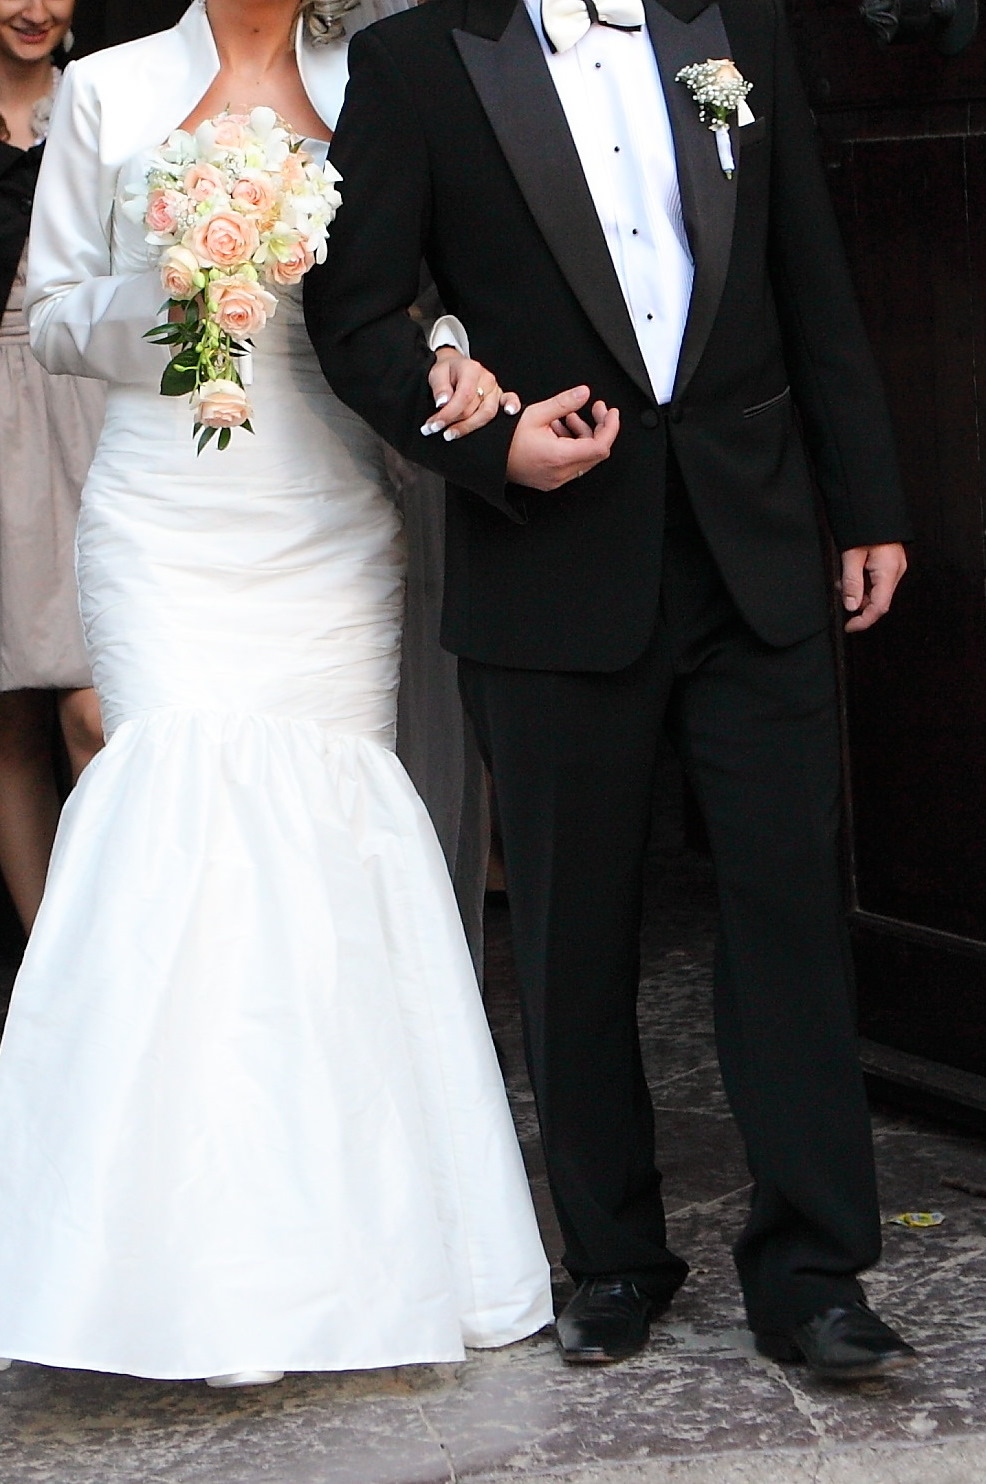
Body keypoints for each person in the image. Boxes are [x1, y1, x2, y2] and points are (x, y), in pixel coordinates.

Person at [305, 0, 918, 1382]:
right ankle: (614, 1257)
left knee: (787, 911)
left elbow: (809, 275)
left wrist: (866, 499)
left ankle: (814, 1270)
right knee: (572, 933)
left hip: (754, 542)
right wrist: (487, 449)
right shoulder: (415, 62)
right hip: (552, 558)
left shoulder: (738, 31)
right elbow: (353, 309)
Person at [0, 0, 552, 1386]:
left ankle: (354, 1252)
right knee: (177, 832)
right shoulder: (110, 87)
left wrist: (450, 346)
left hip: (324, 505)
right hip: (163, 514)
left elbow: (444, 279)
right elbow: (54, 316)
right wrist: (181, 278)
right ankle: (168, 1266)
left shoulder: (385, 73)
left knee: (328, 836)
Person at [0, 0, 104, 935]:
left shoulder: (98, 98)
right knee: (7, 718)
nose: (35, 9)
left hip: (80, 404)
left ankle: (110, 956)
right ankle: (44, 967)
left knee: (96, 709)